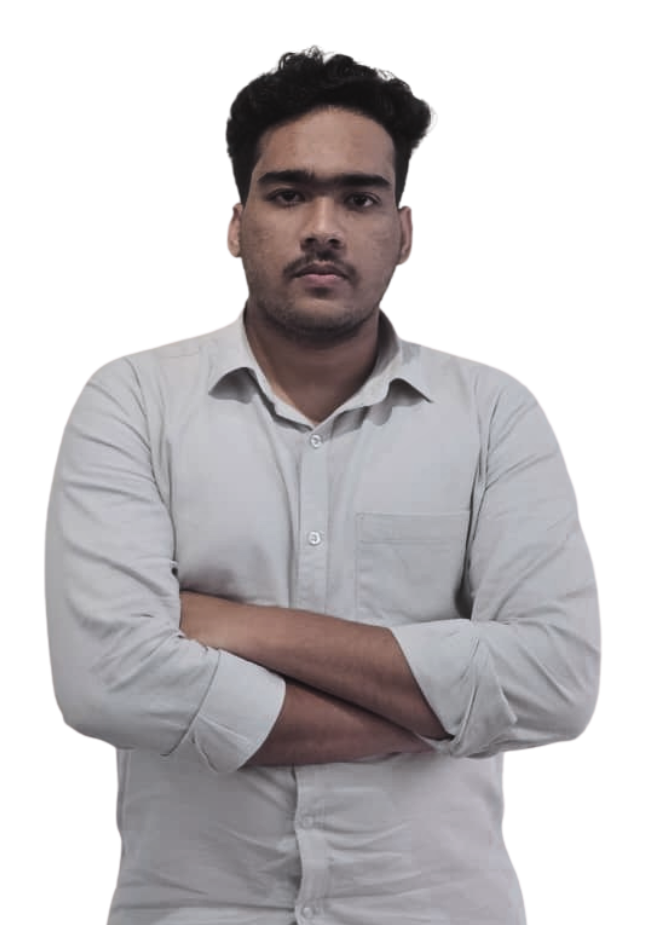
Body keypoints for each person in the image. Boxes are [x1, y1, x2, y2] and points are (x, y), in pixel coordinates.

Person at [44, 46, 602, 924]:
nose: (323, 228)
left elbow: (554, 682)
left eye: (359, 198)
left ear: (404, 232)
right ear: (236, 225)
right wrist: (434, 713)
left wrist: (235, 624)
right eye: (288, 194)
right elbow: (107, 684)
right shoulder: (131, 400)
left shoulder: (495, 411)